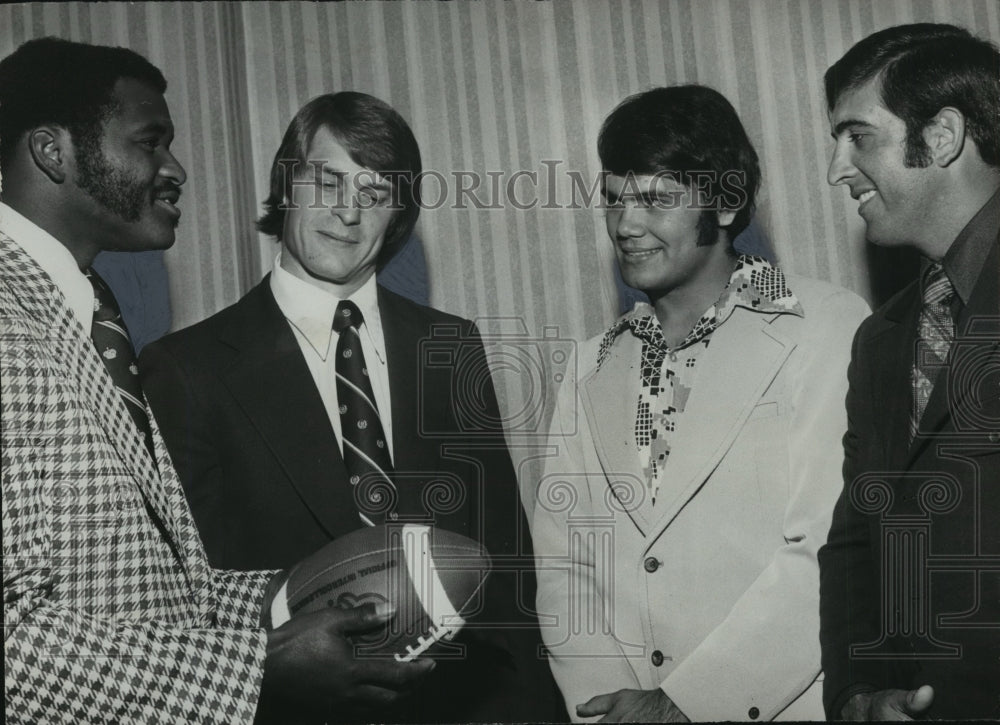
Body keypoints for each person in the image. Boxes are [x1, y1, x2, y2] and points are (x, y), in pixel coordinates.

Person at [0, 37, 435, 724]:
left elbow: (163, 589)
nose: (175, 168)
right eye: (150, 141)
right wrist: (256, 671)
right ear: (53, 151)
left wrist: (300, 593)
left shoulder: (83, 315)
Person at [139, 91, 563, 723]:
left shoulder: (449, 344)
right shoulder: (184, 368)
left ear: (397, 215)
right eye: (328, 181)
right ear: (286, 184)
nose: (347, 213)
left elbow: (504, 563)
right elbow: (192, 599)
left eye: (375, 193)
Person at [530, 85, 871, 722]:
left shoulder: (823, 323)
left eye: (657, 199)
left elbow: (823, 549)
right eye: (614, 199)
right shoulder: (587, 363)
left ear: (724, 201)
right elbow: (566, 563)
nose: (626, 225)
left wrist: (687, 705)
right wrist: (607, 710)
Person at [818, 23, 1000, 721]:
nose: (837, 168)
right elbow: (856, 540)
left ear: (944, 135)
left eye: (858, 136)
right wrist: (859, 692)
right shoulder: (882, 338)